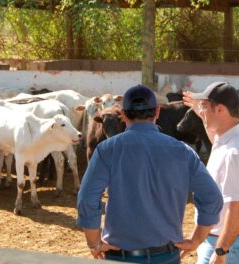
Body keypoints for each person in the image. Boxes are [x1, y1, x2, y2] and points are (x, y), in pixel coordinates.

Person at [77, 84, 223, 263]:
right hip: (166, 255)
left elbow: (86, 199)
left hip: (120, 256)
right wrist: (196, 240)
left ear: (123, 115)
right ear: (158, 112)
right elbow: (212, 197)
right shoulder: (182, 151)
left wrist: (94, 243)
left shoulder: (107, 150)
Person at [182, 81, 239, 264]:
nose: (201, 110)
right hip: (220, 239)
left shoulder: (236, 152)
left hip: (227, 245)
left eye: (205, 106)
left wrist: (221, 251)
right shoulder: (228, 136)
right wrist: (200, 112)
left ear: (220, 110)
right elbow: (215, 138)